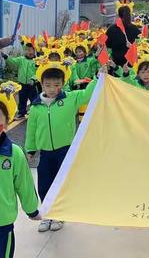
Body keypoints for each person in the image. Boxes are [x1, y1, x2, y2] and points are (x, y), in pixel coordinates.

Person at [25, 62, 98, 232]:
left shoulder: (71, 99)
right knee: (44, 184)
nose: (52, 88)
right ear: (41, 84)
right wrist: (30, 149)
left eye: (57, 85)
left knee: (61, 184)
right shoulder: (36, 107)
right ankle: (47, 214)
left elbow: (88, 94)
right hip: (45, 153)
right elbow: (32, 130)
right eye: (48, 85)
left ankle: (59, 215)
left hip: (64, 151)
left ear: (63, 84)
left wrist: (98, 77)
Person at [0, 83, 41, 258]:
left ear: (6, 122)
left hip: (2, 222)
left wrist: (32, 209)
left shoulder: (13, 153)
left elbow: (24, 183)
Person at [3, 43, 37, 120]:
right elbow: (13, 62)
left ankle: (34, 113)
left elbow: (38, 72)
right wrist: (6, 57)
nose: (29, 52)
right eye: (27, 50)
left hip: (32, 84)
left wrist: (33, 79)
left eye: (31, 50)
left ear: (34, 51)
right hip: (22, 84)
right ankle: (21, 113)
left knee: (34, 99)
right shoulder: (21, 59)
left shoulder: (36, 61)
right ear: (25, 51)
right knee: (22, 99)